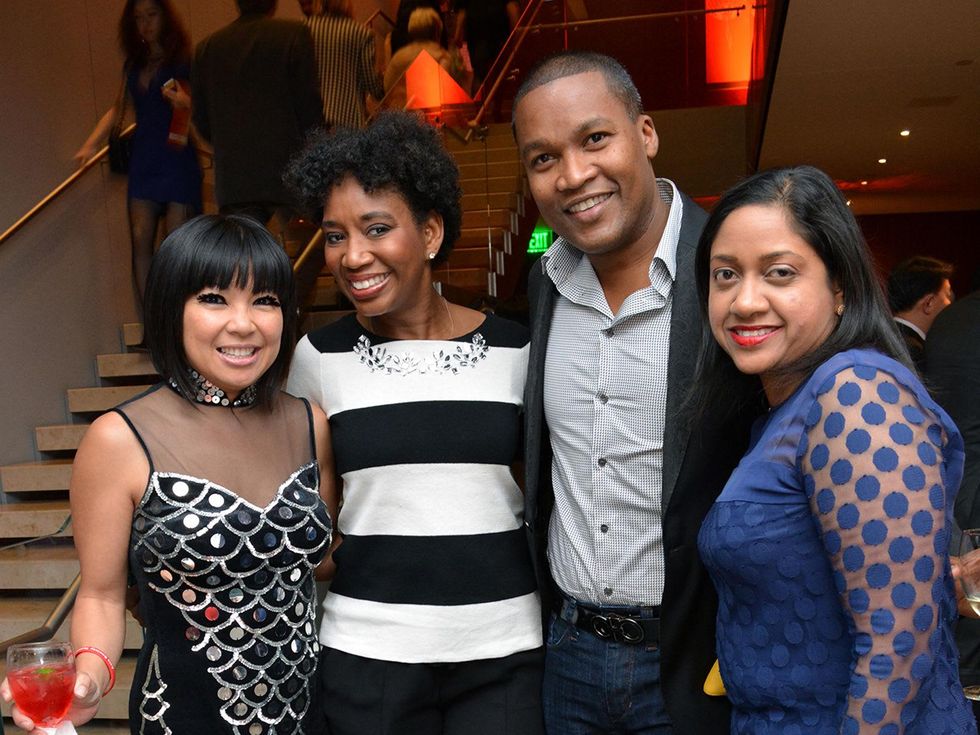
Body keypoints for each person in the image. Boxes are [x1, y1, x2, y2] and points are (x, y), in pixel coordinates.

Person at [1, 215, 336, 734]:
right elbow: (101, 594)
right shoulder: (119, 439)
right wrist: (90, 679)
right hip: (182, 718)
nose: (243, 323)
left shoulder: (309, 424)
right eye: (214, 298)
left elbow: (325, 560)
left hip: (306, 715)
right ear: (170, 309)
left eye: (264, 300)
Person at [512, 51, 759, 734]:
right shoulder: (544, 282)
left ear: (645, 133)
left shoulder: (727, 265)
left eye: (595, 138)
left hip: (698, 656)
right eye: (543, 158)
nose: (573, 175)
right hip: (568, 654)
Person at [284, 111, 543, 735]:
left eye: (377, 228)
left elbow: (543, 495)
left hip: (504, 650)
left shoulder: (517, 350)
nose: (353, 256)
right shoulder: (317, 357)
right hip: (368, 654)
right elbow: (306, 509)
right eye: (336, 236)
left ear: (430, 232)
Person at [693, 165, 975, 734]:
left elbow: (897, 647)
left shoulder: (855, 393)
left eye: (779, 273)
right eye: (726, 275)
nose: (744, 301)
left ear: (840, 287)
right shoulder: (783, 410)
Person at [74, 0, 202, 305]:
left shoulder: (183, 60)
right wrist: (91, 144)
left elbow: (202, 105)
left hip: (176, 158)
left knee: (177, 244)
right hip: (145, 159)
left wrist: (185, 102)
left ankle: (179, 317)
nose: (145, 24)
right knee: (140, 238)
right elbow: (119, 107)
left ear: (165, 17)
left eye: (151, 15)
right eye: (138, 18)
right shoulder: (134, 64)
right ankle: (152, 321)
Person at [192, 0, 324, 229]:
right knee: (302, 244)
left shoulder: (207, 49)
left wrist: (228, 144)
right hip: (289, 168)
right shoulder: (294, 35)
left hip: (235, 179)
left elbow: (202, 119)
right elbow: (309, 107)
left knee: (245, 248)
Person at [305, 0, 384, 128]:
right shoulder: (361, 33)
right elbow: (373, 84)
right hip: (349, 119)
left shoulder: (305, 29)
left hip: (314, 119)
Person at [887, 255, 955, 372]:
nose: (951, 304)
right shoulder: (914, 351)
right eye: (948, 295)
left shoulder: (878, 335)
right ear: (929, 303)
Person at [384, 7, 457, 107]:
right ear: (436, 32)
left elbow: (387, 86)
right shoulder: (442, 57)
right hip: (430, 114)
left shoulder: (398, 57)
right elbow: (449, 94)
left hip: (400, 112)